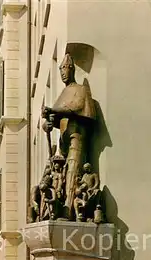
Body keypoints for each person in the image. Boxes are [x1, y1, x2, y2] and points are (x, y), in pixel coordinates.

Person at [42, 52, 96, 219]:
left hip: (76, 135)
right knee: (64, 175)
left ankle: (68, 210)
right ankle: (61, 206)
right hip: (64, 139)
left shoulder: (80, 89)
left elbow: (77, 107)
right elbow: (54, 120)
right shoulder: (63, 93)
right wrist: (47, 124)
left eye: (65, 69)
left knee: (72, 172)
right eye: (61, 70)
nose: (63, 72)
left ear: (71, 69)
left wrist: (53, 110)